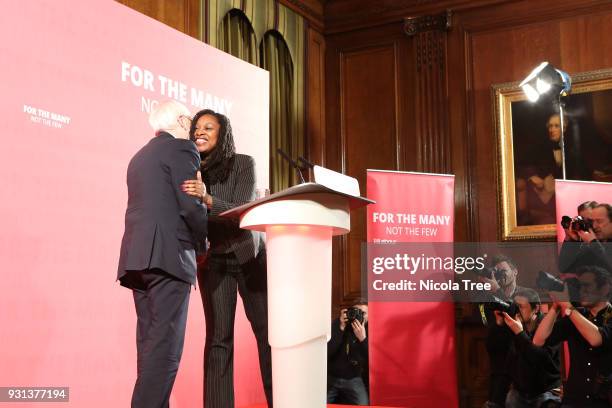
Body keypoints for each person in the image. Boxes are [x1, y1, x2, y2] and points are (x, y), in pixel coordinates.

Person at [117, 100, 208, 408]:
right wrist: (202, 244)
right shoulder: (182, 149)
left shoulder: (138, 157)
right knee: (165, 349)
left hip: (137, 260)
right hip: (169, 258)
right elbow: (190, 203)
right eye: (192, 124)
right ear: (182, 121)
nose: (194, 131)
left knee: (150, 347)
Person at [182, 109, 272, 408]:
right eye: (196, 127)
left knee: (267, 333)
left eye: (209, 127)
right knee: (219, 340)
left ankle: (281, 400)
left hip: (248, 256)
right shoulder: (191, 169)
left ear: (223, 134)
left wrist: (207, 199)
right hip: (214, 261)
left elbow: (242, 213)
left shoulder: (244, 163)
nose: (200, 131)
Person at [533, 265, 612, 407]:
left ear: (605, 288)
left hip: (603, 401)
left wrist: (568, 307)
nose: (582, 291)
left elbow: (596, 339)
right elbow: (539, 340)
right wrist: (556, 307)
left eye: (587, 286)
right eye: (580, 286)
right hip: (573, 400)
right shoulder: (576, 315)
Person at [479, 255, 527, 408]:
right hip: (499, 366)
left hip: (523, 366)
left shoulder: (527, 295)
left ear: (515, 272)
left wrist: (497, 291)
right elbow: (486, 327)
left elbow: (522, 319)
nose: (501, 275)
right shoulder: (489, 299)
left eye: (504, 271)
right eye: (497, 272)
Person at [500, 288, 561, 407]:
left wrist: (520, 334)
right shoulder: (515, 326)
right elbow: (499, 356)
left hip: (545, 391)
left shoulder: (548, 326)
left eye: (521, 306)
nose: (517, 311)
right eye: (515, 306)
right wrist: (499, 324)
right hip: (520, 392)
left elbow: (539, 359)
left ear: (536, 308)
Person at [327, 300, 369, 405]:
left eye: (363, 313)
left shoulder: (370, 329)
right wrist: (340, 328)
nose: (358, 316)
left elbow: (374, 359)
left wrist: (363, 338)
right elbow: (327, 352)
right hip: (332, 377)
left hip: (354, 378)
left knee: (363, 404)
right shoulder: (338, 324)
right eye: (355, 311)